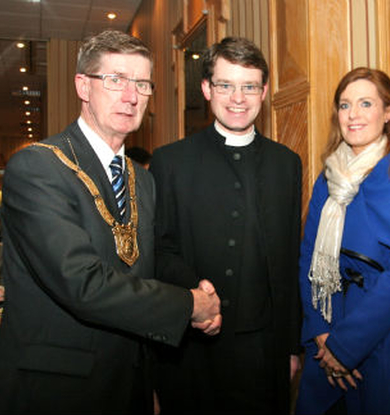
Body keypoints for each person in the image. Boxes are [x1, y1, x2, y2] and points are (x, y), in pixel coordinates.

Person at [0, 30, 222, 415]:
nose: (131, 96)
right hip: (56, 389)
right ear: (83, 85)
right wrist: (188, 305)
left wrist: (200, 290)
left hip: (129, 381)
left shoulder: (141, 178)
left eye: (142, 84)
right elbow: (81, 283)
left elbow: (143, 260)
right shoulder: (38, 167)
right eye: (115, 80)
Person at [149, 36, 302, 414]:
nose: (238, 98)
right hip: (191, 348)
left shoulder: (287, 163)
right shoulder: (171, 162)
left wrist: (291, 346)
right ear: (206, 89)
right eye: (226, 85)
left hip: (263, 351)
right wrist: (195, 292)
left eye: (249, 86)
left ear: (264, 92)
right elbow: (160, 249)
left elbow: (288, 263)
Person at [295, 67, 390, 415]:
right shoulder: (327, 177)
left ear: (388, 112)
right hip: (329, 325)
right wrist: (320, 330)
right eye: (345, 105)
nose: (354, 115)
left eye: (365, 103)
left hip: (388, 329)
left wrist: (346, 346)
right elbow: (309, 256)